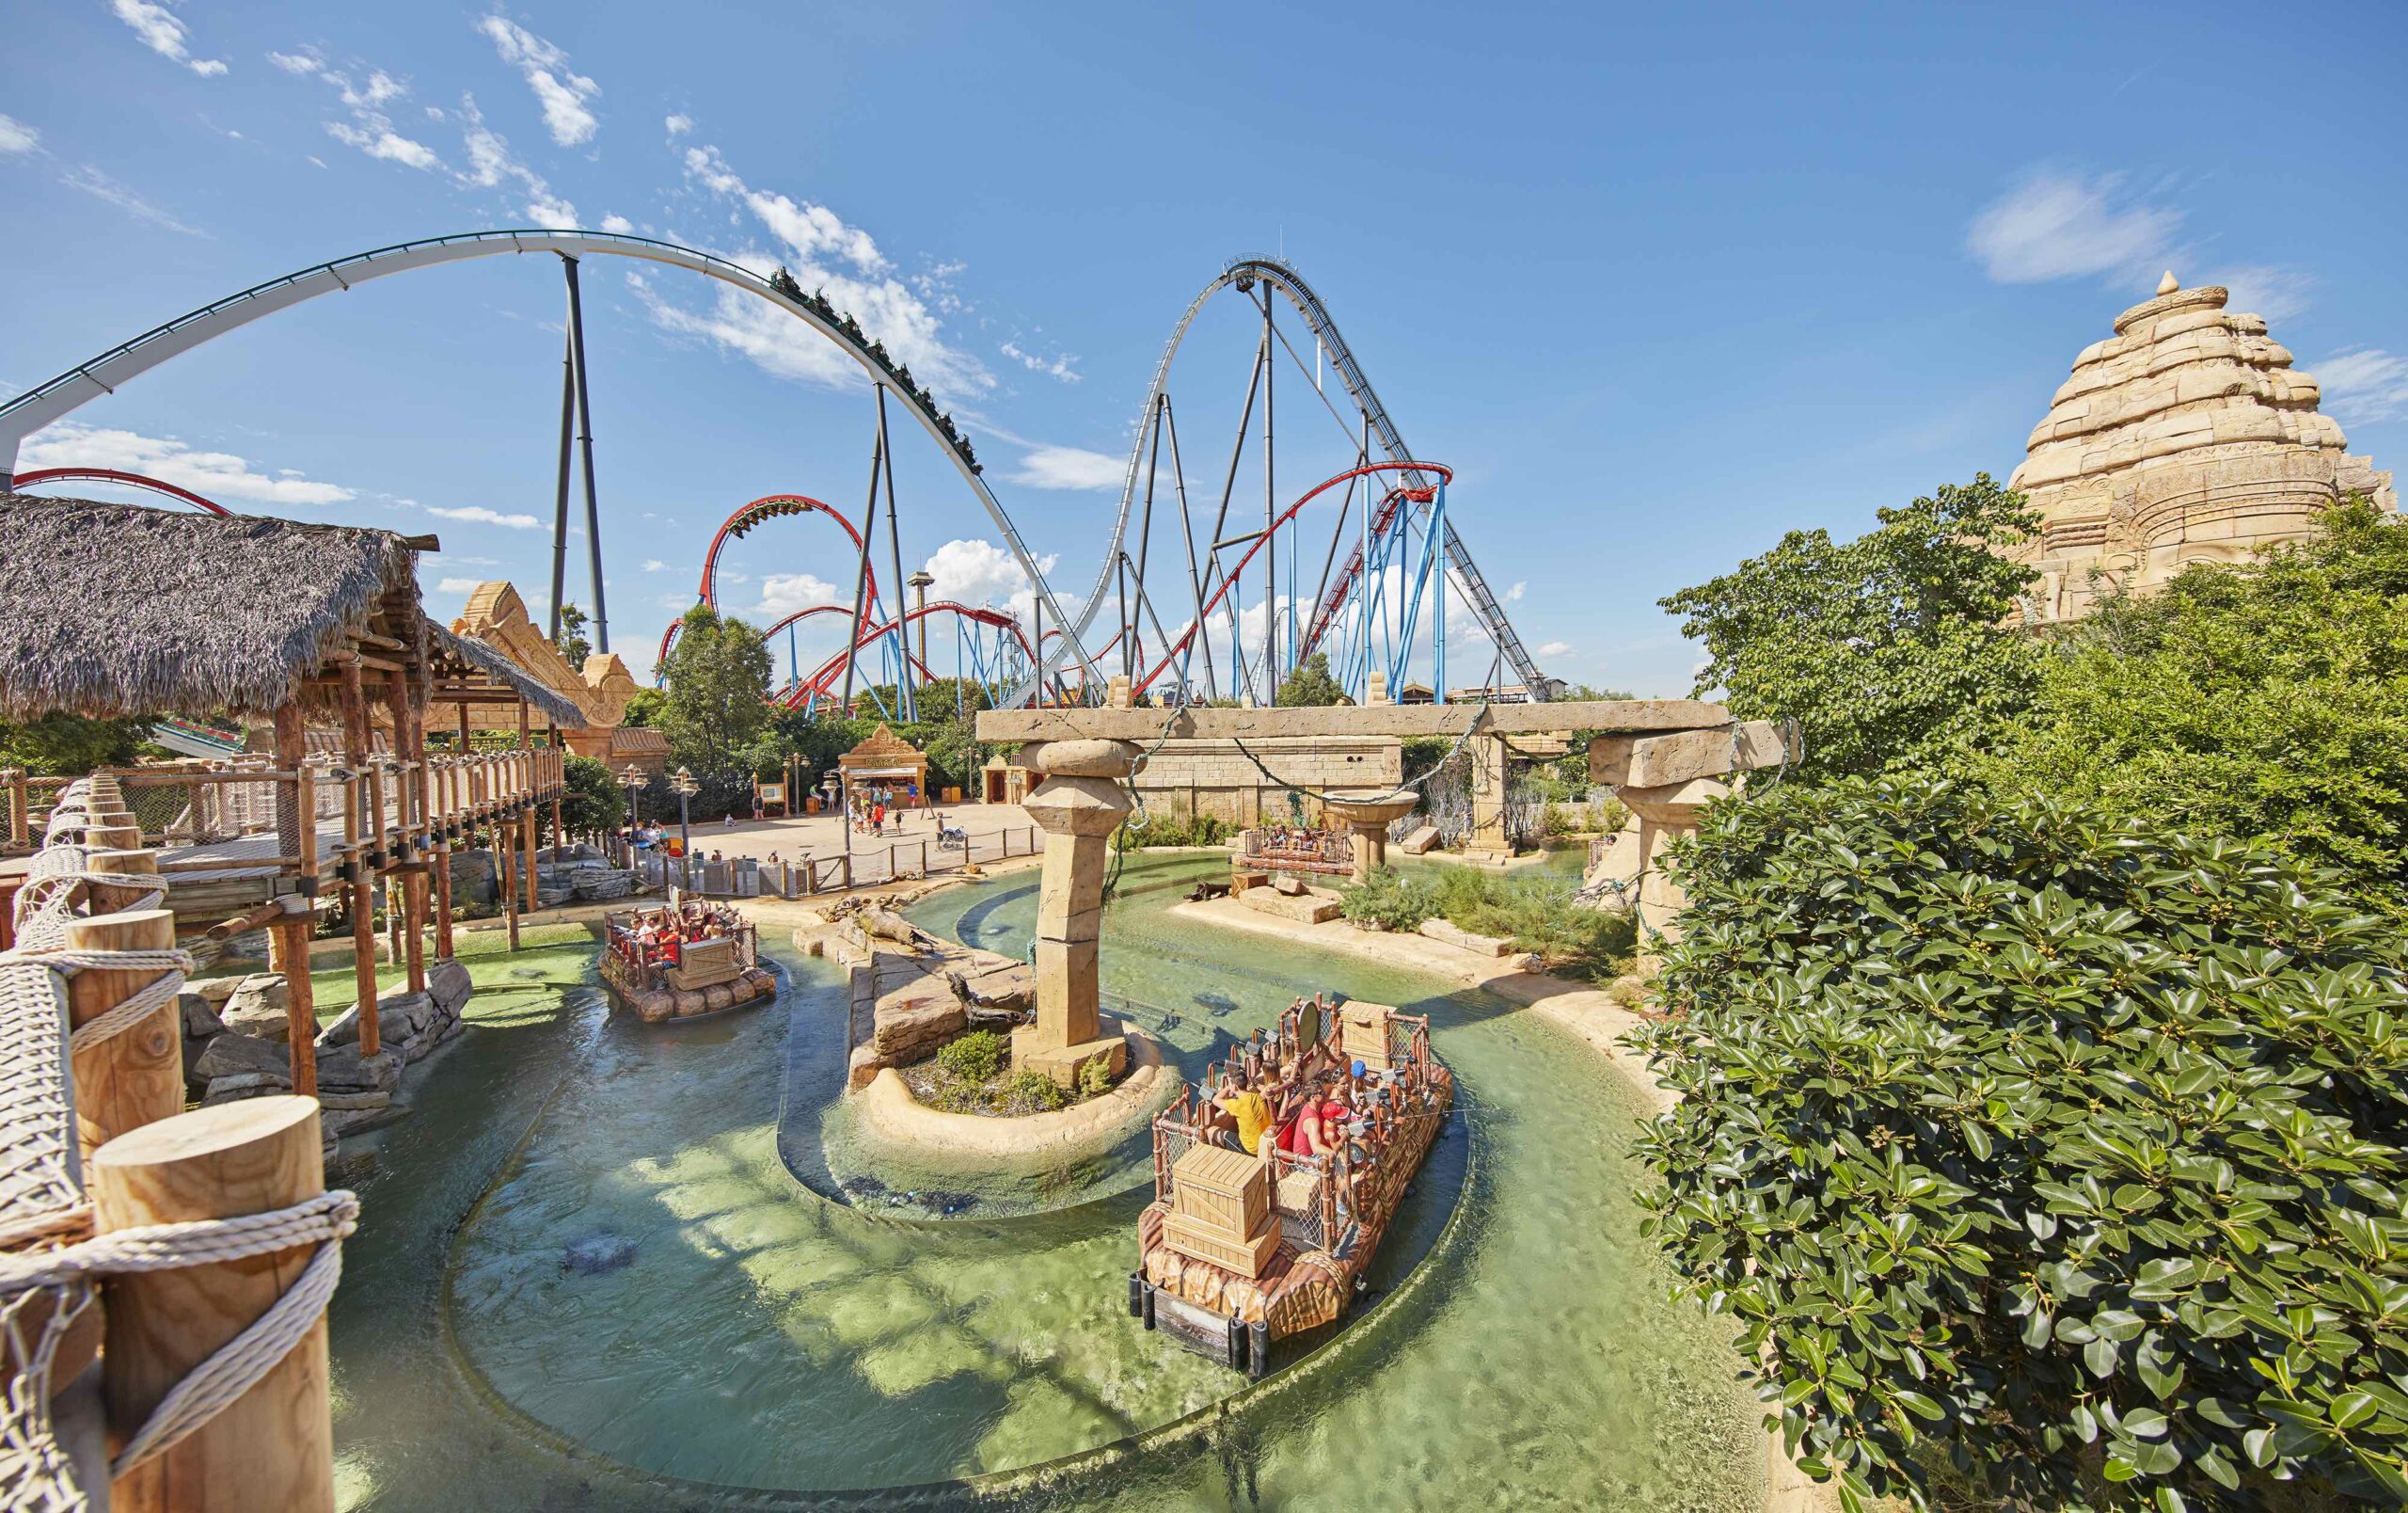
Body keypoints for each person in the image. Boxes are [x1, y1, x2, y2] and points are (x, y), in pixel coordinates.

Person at [1213, 1071, 1274, 1156]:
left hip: (1251, 1150)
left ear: (1235, 1086)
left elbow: (1215, 1100)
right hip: (1265, 1143)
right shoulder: (1257, 1096)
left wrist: (1228, 1087)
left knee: (1211, 1131)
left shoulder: (1237, 1105)